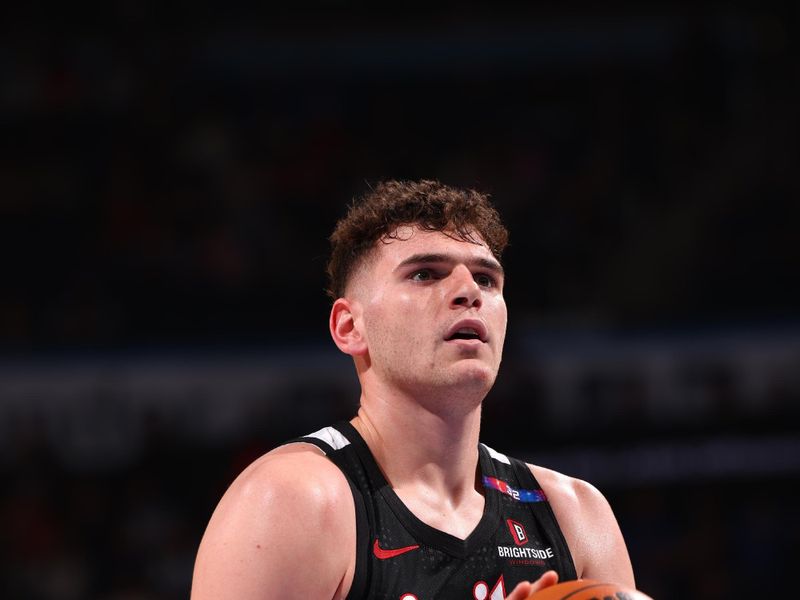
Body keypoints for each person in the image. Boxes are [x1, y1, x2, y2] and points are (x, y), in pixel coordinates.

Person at [191, 180, 636, 600]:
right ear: (350, 327)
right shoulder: (291, 502)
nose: (468, 292)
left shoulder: (575, 515)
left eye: (486, 279)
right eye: (425, 274)